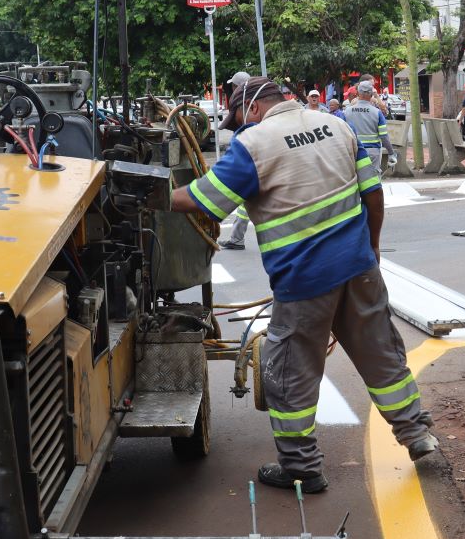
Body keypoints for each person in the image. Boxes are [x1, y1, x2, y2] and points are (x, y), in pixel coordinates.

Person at [170, 76, 437, 493]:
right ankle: (417, 435)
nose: (238, 126)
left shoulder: (254, 144)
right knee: (382, 354)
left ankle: (301, 468)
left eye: (238, 117)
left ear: (254, 108)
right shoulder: (335, 125)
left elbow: (203, 199)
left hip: (304, 281)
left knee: (289, 373)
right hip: (358, 267)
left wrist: (154, 194)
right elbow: (373, 191)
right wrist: (373, 246)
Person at [345, 80, 395, 171]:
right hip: (372, 152)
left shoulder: (347, 111)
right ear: (371, 94)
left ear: (358, 93)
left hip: (353, 151)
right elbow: (384, 136)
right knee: (373, 181)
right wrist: (391, 153)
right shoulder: (377, 112)